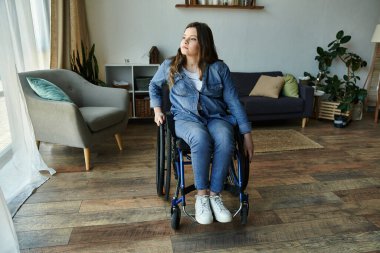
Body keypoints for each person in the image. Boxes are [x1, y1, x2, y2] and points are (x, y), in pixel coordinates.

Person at [149, 22, 254, 225]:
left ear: (203, 43)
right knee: (200, 137)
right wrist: (157, 110)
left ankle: (215, 195)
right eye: (184, 37)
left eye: (192, 38)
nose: (185, 41)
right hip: (185, 119)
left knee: (225, 137)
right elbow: (153, 86)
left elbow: (233, 101)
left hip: (216, 117)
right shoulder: (170, 66)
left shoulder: (219, 69)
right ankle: (202, 197)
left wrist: (247, 134)